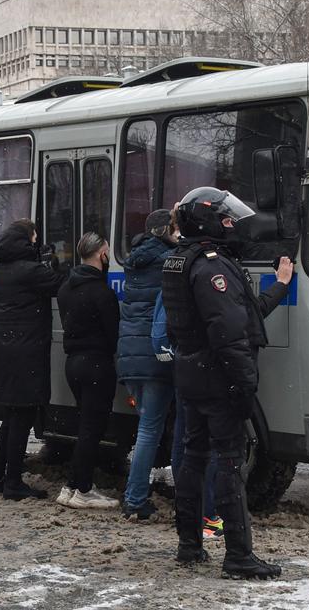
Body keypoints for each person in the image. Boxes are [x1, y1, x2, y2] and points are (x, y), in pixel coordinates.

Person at [161, 187, 293, 580]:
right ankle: (238, 555)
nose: (233, 224)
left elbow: (245, 314)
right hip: (218, 377)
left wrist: (280, 284)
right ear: (209, 221)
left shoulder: (182, 261)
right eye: (227, 218)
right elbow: (231, 333)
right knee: (229, 462)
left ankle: (189, 544)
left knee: (192, 457)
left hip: (192, 372)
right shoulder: (213, 266)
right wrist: (244, 383)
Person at [0, 219, 68, 500]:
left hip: (6, 351)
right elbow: (60, 284)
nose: (35, 242)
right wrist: (52, 261)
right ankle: (12, 483)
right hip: (27, 353)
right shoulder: (31, 271)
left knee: (10, 419)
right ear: (25, 240)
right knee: (21, 420)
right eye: (33, 238)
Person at [118, 210, 177, 519]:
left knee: (147, 427)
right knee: (157, 430)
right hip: (157, 355)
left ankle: (136, 497)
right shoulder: (171, 262)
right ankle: (136, 499)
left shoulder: (133, 261)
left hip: (130, 354)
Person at [56, 232, 120, 509]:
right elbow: (112, 334)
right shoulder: (102, 292)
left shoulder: (65, 288)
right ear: (101, 255)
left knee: (85, 424)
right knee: (92, 429)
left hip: (73, 363)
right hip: (97, 364)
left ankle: (72, 485)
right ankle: (81, 488)